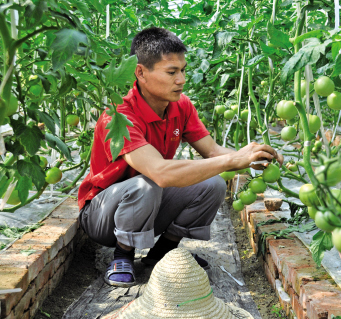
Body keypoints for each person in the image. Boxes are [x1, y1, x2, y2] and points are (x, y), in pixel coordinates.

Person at [77, 27, 283, 287]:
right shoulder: (118, 116)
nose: (181, 80)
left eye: (183, 70)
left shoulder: (181, 106)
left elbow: (213, 151)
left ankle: (162, 252)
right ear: (140, 73)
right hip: (102, 216)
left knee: (213, 185)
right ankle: (123, 254)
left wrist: (254, 157)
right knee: (148, 184)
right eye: (172, 72)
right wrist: (232, 161)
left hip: (147, 203)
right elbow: (160, 173)